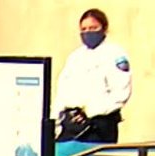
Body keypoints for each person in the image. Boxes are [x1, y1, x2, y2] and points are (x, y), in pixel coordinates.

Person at [55, 7, 132, 143]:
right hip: (71, 125)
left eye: (93, 28)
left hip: (99, 125)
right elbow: (63, 92)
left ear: (104, 28)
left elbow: (120, 94)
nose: (88, 32)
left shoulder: (115, 54)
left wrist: (89, 111)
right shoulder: (75, 57)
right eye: (84, 29)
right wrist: (56, 120)